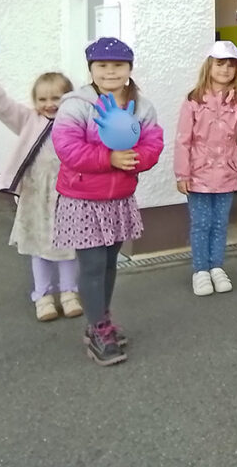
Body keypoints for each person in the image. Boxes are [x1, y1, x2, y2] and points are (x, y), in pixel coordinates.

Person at [51, 37, 164, 366]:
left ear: (129, 69)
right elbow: (67, 148)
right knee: (93, 265)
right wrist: (110, 158)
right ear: (91, 70)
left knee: (111, 263)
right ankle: (97, 328)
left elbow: (152, 144)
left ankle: (102, 317)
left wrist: (136, 159)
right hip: (83, 199)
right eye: (102, 65)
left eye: (118, 65)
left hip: (118, 199)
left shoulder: (142, 106)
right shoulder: (76, 105)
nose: (110, 71)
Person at [0, 64, 81, 322]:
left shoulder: (77, 122)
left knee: (69, 245)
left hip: (67, 195)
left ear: (69, 98)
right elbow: (4, 107)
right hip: (36, 195)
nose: (49, 104)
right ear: (35, 101)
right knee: (38, 245)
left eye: (56, 98)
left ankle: (69, 293)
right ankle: (42, 296)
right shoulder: (29, 119)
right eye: (42, 99)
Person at [175, 41, 237, 297]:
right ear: (209, 66)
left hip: (227, 173)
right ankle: (200, 270)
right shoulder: (194, 100)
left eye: (231, 65)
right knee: (201, 224)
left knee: (220, 224)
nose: (225, 69)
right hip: (198, 174)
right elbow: (182, 139)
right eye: (220, 63)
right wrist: (182, 174)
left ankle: (217, 267)